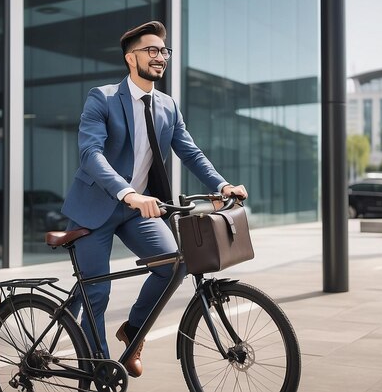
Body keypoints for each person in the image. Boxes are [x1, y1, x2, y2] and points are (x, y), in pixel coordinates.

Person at [61, 20, 248, 378]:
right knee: (95, 296)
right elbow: (91, 154)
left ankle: (133, 331)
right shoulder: (101, 98)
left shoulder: (167, 106)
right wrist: (127, 192)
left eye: (164, 51)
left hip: (137, 210)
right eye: (151, 50)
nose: (160, 56)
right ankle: (97, 371)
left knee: (174, 264)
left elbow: (191, 153)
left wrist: (223, 186)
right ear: (131, 59)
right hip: (96, 209)